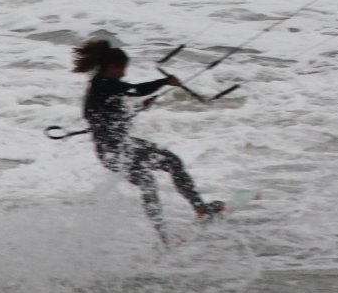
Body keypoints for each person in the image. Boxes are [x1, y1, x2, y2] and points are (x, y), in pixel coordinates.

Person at [73, 39, 225, 243]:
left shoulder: (101, 85)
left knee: (171, 162)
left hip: (119, 146)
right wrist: (164, 81)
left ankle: (200, 209)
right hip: (114, 151)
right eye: (122, 69)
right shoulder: (103, 84)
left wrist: (139, 107)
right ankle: (164, 236)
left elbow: (113, 116)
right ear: (112, 67)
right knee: (148, 181)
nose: (123, 74)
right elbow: (136, 89)